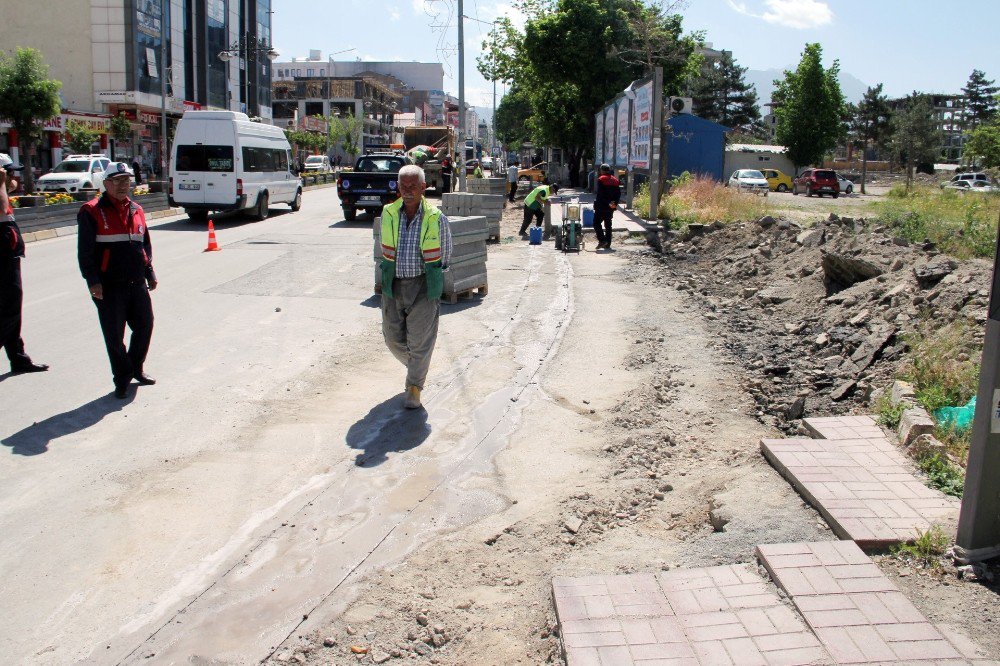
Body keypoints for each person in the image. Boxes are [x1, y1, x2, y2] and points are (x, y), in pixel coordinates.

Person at [77, 162, 157, 399]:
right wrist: (92, 281)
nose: (123, 185)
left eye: (126, 180)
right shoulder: (91, 211)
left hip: (136, 282)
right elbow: (85, 252)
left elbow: (144, 245)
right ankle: (122, 378)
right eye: (117, 180)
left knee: (145, 326)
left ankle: (135, 369)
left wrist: (149, 271)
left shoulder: (136, 209)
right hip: (109, 286)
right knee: (114, 335)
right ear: (106, 183)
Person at [379, 164, 453, 410]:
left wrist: (432, 278)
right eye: (403, 186)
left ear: (423, 187)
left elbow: (446, 254)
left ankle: (414, 387)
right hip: (394, 283)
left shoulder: (435, 217)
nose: (408, 190)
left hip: (423, 285)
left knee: (420, 341)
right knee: (392, 338)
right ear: (398, 187)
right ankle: (417, 364)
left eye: (413, 186)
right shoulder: (389, 213)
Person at [0, 153, 48, 375]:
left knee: (12, 308)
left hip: (8, 255)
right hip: (2, 257)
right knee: (9, 309)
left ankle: (17, 357)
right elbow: (2, 209)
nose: (13, 178)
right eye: (9, 173)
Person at [593, 163, 621, 250]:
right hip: (611, 206)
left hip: (602, 206)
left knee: (596, 223)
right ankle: (608, 243)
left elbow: (600, 194)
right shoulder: (615, 180)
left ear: (602, 170)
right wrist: (613, 204)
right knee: (608, 225)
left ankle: (602, 240)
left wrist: (598, 204)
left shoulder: (601, 179)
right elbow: (618, 194)